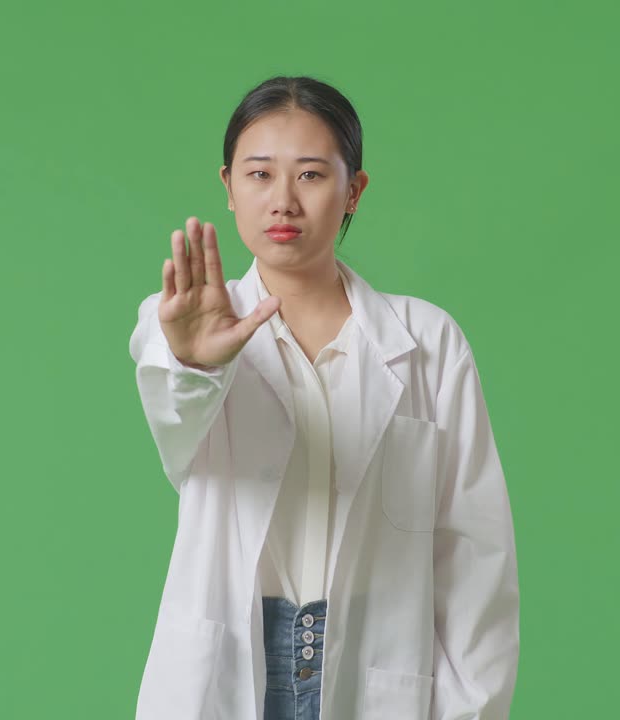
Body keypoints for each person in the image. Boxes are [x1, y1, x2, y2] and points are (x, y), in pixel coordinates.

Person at [129, 75, 519, 720]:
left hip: (376, 664)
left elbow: (475, 551)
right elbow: (177, 422)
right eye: (259, 174)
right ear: (227, 186)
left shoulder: (428, 340)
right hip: (234, 663)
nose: (282, 201)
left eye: (310, 175)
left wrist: (471, 710)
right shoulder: (178, 324)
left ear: (353, 191)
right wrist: (194, 360)